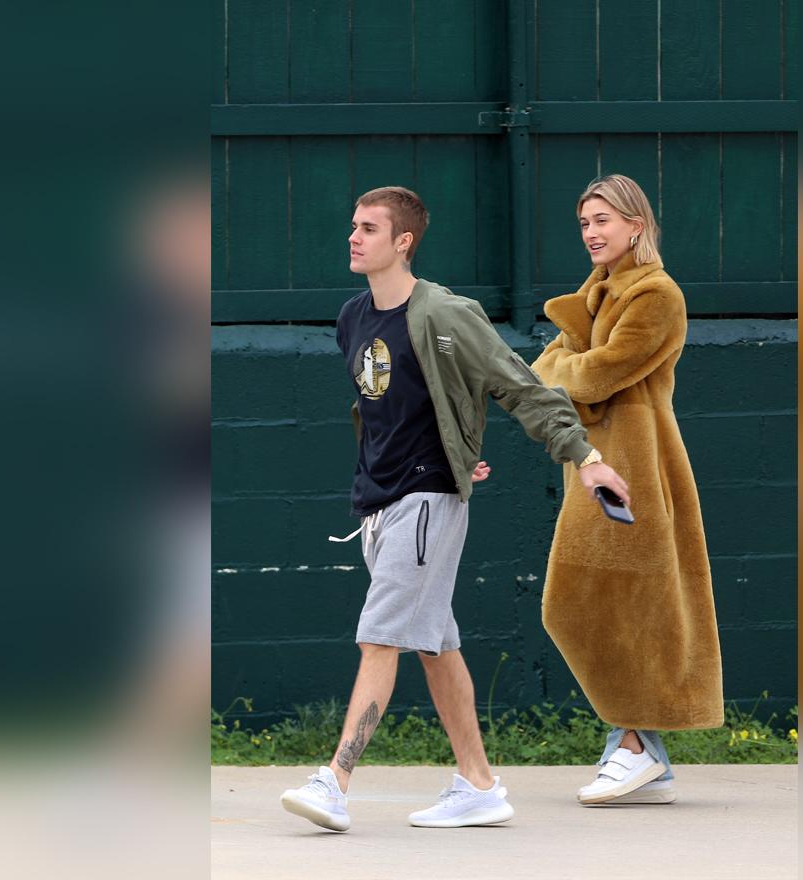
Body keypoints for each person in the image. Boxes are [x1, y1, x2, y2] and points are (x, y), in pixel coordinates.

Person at [280, 186, 630, 832]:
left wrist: (586, 459)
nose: (353, 237)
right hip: (379, 509)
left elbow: (516, 384)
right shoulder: (353, 319)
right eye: (352, 226)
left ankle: (335, 780)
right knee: (437, 647)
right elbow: (390, 407)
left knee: (379, 638)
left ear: (402, 242)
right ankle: (479, 783)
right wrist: (456, 443)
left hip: (425, 506)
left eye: (368, 228)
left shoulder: (442, 313)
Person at [532, 174, 724, 806]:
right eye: (584, 223)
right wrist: (563, 371)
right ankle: (639, 750)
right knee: (584, 602)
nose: (590, 233)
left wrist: (564, 369)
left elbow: (589, 375)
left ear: (635, 225)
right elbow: (544, 376)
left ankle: (639, 747)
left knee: (625, 601)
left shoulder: (657, 296)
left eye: (603, 221)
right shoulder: (596, 295)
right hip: (592, 465)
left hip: (639, 468)